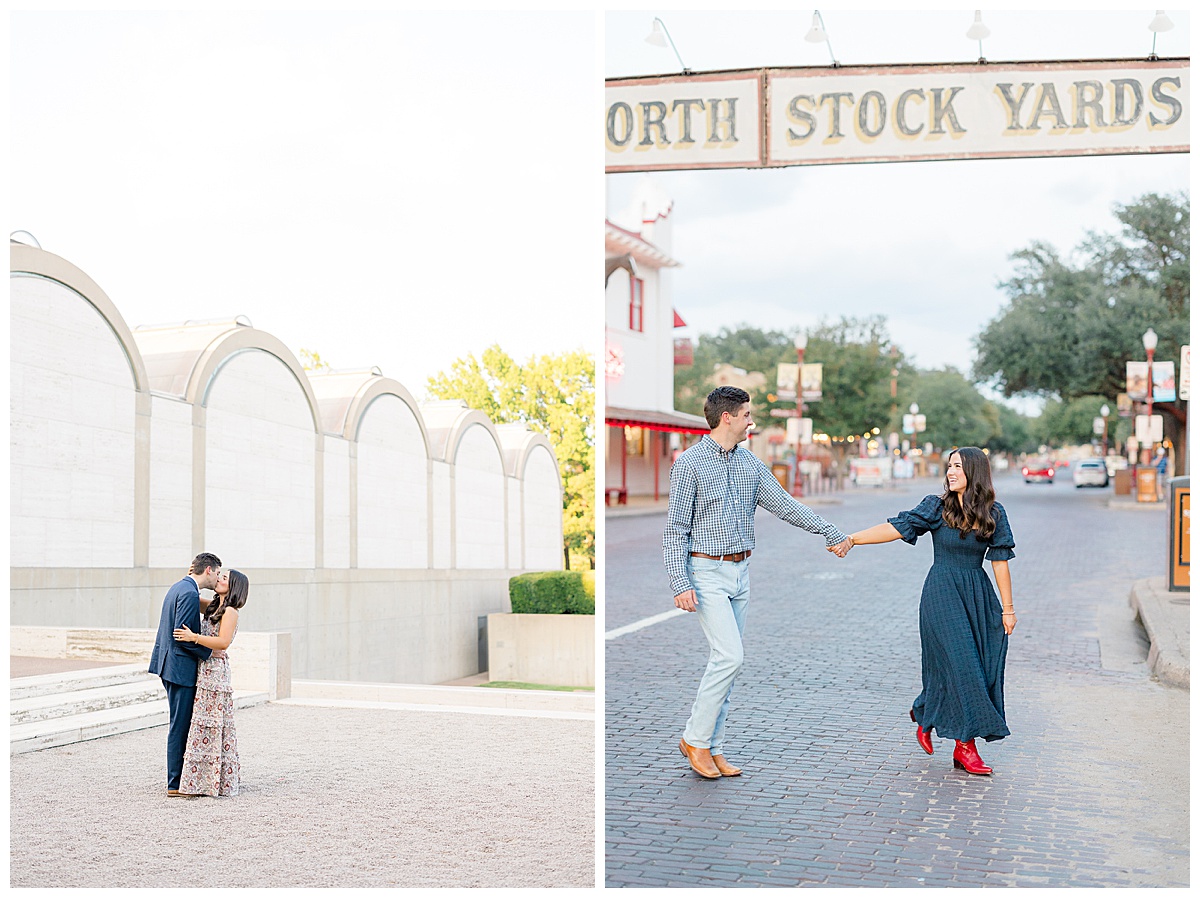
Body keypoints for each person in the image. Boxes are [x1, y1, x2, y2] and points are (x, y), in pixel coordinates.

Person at [664, 386, 852, 779]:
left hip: (740, 573)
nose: (752, 421)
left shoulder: (750, 463)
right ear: (727, 417)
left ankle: (713, 748)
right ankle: (694, 740)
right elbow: (675, 529)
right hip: (707, 573)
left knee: (728, 666)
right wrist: (680, 582)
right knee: (729, 657)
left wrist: (830, 531)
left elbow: (785, 505)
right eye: (747, 414)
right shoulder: (690, 464)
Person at [844, 447, 1017, 775]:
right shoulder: (936, 507)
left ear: (974, 471)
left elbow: (999, 562)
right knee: (964, 666)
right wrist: (853, 539)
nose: (951, 472)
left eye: (958, 466)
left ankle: (926, 711)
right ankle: (966, 747)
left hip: (977, 595)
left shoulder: (994, 512)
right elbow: (897, 528)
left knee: (982, 665)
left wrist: (1008, 610)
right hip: (942, 594)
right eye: (949, 466)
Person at [148, 553, 220, 796]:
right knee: (180, 725)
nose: (217, 578)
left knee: (179, 723)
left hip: (169, 664)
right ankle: (175, 783)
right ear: (208, 570)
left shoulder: (180, 587)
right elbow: (182, 636)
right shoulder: (188, 592)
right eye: (217, 573)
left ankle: (179, 780)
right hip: (179, 668)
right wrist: (210, 652)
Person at [173, 568, 249, 797]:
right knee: (201, 723)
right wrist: (193, 575)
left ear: (233, 586)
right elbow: (191, 598)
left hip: (216, 672)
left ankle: (213, 782)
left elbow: (223, 642)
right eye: (219, 575)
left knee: (212, 723)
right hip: (204, 668)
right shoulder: (215, 606)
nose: (219, 579)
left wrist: (194, 637)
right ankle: (199, 781)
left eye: (224, 578)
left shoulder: (231, 612)